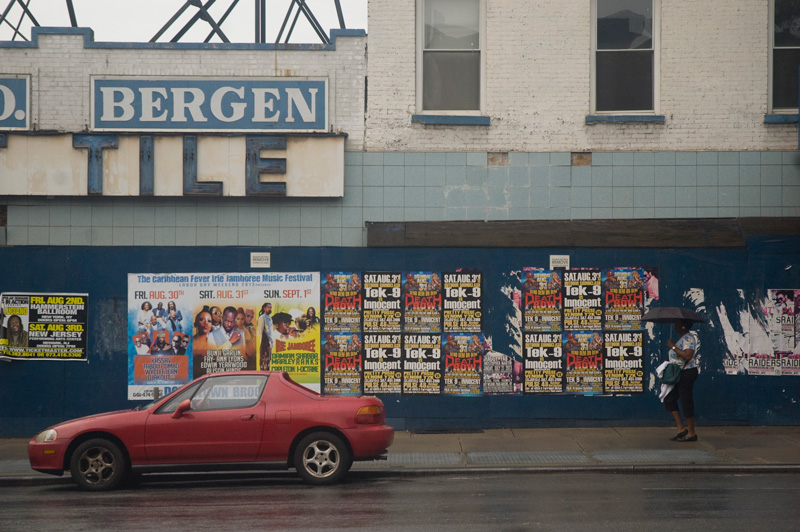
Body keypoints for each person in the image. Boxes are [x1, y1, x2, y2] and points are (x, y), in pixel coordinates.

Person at [664, 319, 700, 442]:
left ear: (683, 326)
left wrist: (672, 346)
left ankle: (691, 433)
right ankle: (681, 428)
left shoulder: (689, 338)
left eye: (677, 324)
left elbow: (688, 355)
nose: (675, 326)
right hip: (679, 373)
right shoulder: (682, 338)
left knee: (686, 400)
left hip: (688, 373)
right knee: (669, 398)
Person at [256, 302, 274, 370]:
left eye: (270, 307)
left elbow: (270, 332)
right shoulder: (262, 318)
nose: (270, 309)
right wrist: (264, 343)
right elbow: (259, 332)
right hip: (265, 343)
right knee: (264, 361)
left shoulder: (269, 318)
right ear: (264, 308)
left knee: (268, 361)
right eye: (268, 307)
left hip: (270, 342)